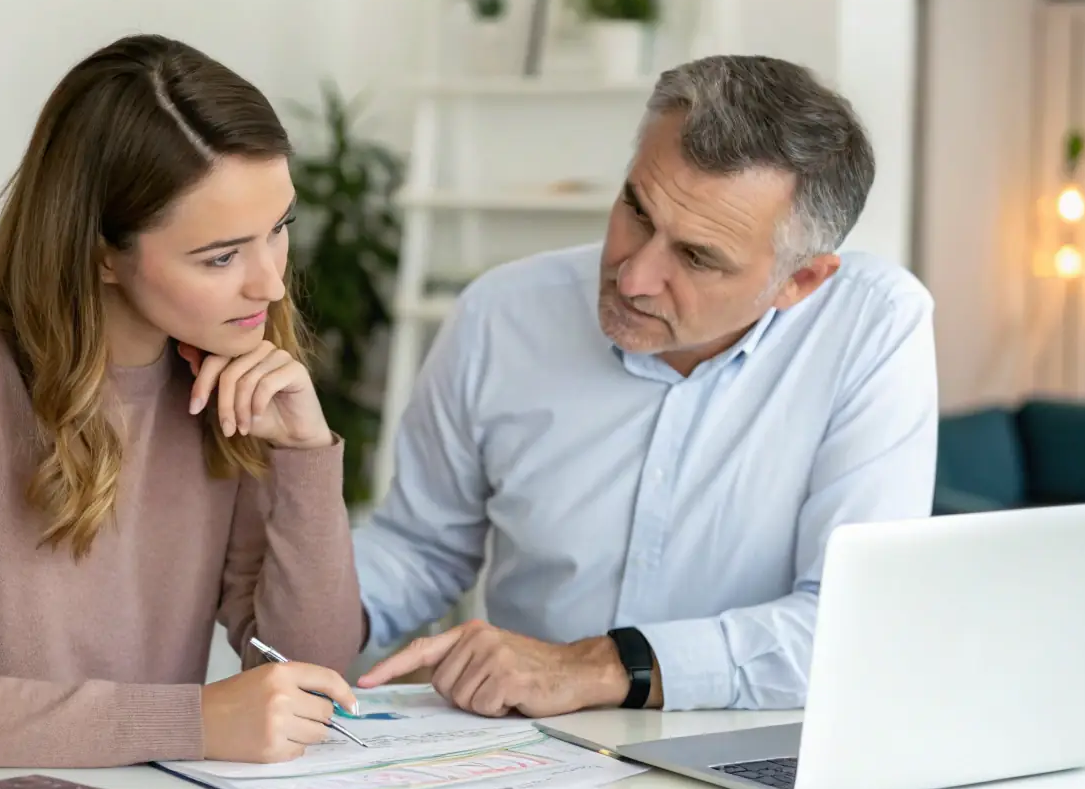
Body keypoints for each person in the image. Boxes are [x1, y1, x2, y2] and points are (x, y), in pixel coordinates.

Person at [0, 34, 362, 785]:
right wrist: (188, 721)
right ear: (102, 252)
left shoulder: (230, 379)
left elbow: (314, 684)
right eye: (221, 256)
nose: (268, 284)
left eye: (280, 229)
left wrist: (304, 452)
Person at [353, 55, 939, 716]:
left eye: (695, 257)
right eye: (636, 211)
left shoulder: (873, 324)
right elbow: (421, 547)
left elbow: (851, 624)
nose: (632, 277)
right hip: (521, 752)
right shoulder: (500, 313)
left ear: (797, 282)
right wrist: (293, 615)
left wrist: (596, 667)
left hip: (746, 754)